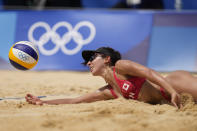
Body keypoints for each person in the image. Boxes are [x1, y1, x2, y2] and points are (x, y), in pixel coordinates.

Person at [26, 47, 197, 108]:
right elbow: (74, 101)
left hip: (175, 84)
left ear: (107, 59)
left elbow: (150, 73)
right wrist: (43, 102)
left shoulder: (121, 66)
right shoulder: (110, 92)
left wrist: (172, 91)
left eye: (92, 58)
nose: (88, 63)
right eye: (87, 61)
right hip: (170, 96)